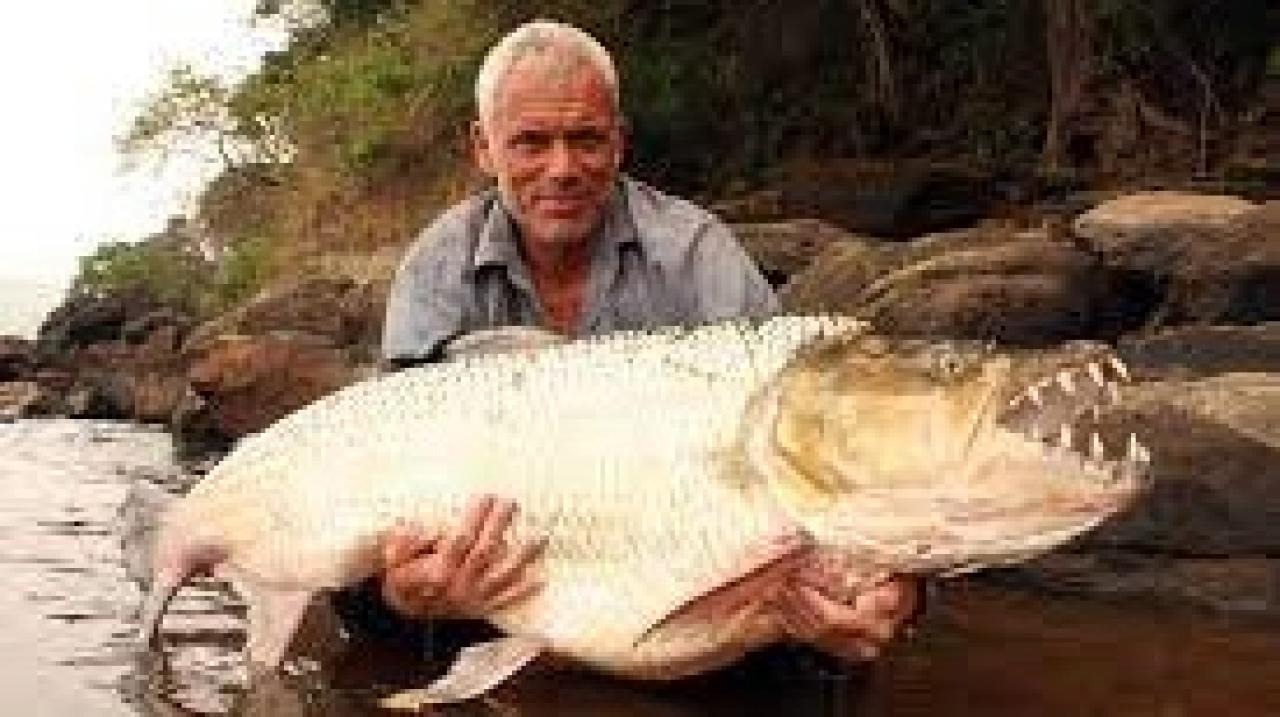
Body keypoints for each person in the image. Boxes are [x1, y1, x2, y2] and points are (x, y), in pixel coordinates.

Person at [368, 19, 921, 672]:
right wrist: (402, 590)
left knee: (812, 643)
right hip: (498, 572)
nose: (562, 169)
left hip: (676, 565)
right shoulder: (435, 268)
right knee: (370, 606)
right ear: (483, 148)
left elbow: (812, 451)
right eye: (531, 142)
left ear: (620, 142)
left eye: (586, 139)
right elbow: (386, 468)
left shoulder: (697, 253)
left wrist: (898, 590)